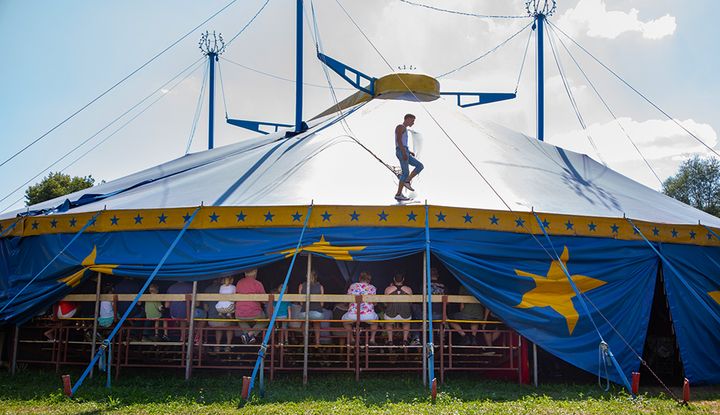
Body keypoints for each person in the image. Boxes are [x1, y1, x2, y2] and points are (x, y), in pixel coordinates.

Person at [342, 272, 378, 344]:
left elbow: (347, 300)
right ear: (369, 280)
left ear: (359, 278)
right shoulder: (372, 288)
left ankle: (352, 339)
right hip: (368, 315)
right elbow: (375, 303)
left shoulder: (352, 286)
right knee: (375, 322)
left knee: (345, 321)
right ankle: (372, 339)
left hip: (353, 314)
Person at [394, 113, 424, 201]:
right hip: (401, 150)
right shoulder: (400, 126)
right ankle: (398, 194)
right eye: (412, 120)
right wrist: (403, 152)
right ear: (407, 119)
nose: (413, 123)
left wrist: (408, 151)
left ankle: (407, 181)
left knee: (420, 166)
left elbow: (402, 142)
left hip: (405, 150)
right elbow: (398, 140)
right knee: (405, 172)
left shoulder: (405, 129)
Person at [234, 269, 267, 344]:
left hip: (239, 314)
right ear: (254, 272)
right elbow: (264, 300)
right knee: (265, 320)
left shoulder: (239, 283)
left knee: (239, 319)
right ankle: (250, 334)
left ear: (245, 273)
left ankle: (247, 335)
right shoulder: (257, 283)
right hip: (254, 313)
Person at [204, 278, 234, 352]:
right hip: (224, 321)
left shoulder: (207, 289)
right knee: (230, 326)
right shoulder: (227, 288)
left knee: (218, 327)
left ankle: (217, 346)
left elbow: (206, 308)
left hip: (211, 321)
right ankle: (228, 346)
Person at [383, 273, 413, 346]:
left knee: (388, 323)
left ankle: (390, 340)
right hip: (405, 314)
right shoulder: (409, 289)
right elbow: (411, 303)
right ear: (403, 279)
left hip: (391, 314)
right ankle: (405, 340)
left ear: (394, 279)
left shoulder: (388, 289)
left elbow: (385, 303)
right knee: (406, 323)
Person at [298, 270, 325, 346]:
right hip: (317, 314)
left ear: (307, 276)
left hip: (304, 313)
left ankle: (305, 340)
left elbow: (301, 303)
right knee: (317, 322)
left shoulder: (301, 286)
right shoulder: (320, 287)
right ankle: (317, 341)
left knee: (303, 322)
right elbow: (322, 304)